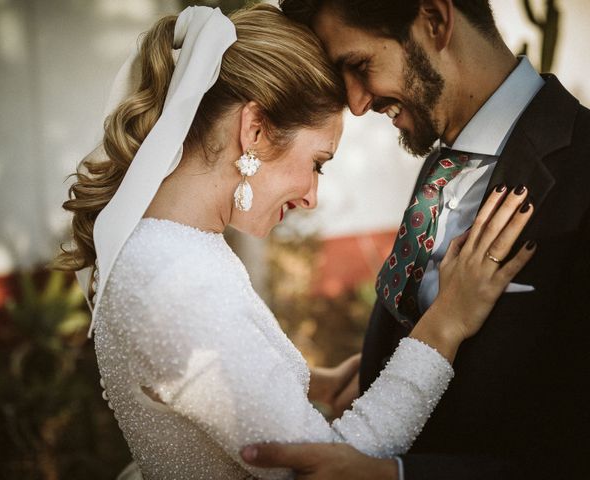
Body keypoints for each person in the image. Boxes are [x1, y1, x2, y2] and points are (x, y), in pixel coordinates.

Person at [54, 4, 535, 480]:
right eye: (318, 163)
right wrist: (447, 323)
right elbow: (329, 465)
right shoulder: (174, 277)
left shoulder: (171, 248)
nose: (311, 196)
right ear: (255, 130)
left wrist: (308, 388)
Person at [242, 0, 590, 479]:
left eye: (359, 65)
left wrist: (395, 475)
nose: (358, 103)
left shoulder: (583, 172)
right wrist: (379, 369)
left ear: (434, 20)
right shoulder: (439, 164)